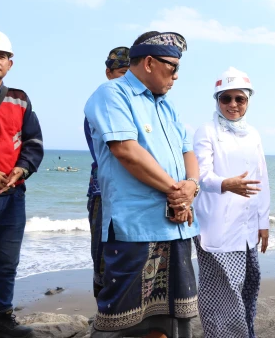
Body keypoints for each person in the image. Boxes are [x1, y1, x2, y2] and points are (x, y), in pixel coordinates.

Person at [84, 31, 199, 338]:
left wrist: (191, 184)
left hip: (176, 224)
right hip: (135, 227)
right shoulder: (112, 94)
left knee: (171, 318)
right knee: (120, 318)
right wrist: (177, 192)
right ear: (149, 62)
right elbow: (126, 150)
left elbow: (189, 150)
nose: (176, 76)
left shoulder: (168, 105)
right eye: (172, 67)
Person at [192, 67, 270, 338]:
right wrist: (226, 184)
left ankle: (246, 334)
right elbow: (200, 175)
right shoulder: (206, 131)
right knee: (222, 293)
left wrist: (264, 223)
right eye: (226, 99)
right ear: (217, 101)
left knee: (247, 286)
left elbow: (262, 180)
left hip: (247, 229)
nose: (233, 105)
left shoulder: (253, 134)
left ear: (248, 101)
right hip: (216, 228)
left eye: (240, 99)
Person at [0, 27, 43, 337]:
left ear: (10, 63)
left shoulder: (19, 99)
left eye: (1, 56)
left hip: (12, 196)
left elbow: (33, 143)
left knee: (6, 262)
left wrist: (21, 170)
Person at [84, 46, 130, 298]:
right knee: (104, 253)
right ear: (109, 73)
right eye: (123, 72)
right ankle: (105, 315)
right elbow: (111, 155)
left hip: (136, 192)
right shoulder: (101, 103)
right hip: (105, 190)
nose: (127, 79)